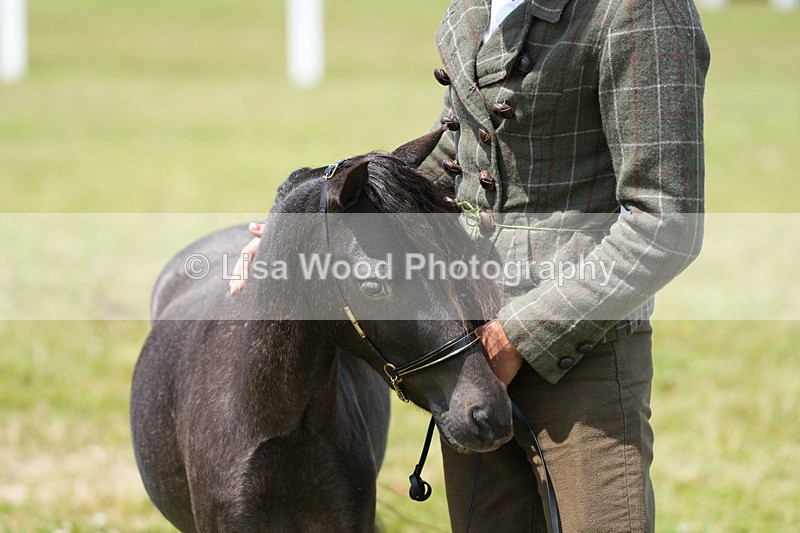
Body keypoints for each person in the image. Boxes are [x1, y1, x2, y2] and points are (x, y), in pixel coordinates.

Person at [233, 0, 709, 530]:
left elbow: (666, 225)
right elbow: (456, 159)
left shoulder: (640, 12)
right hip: (467, 348)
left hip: (584, 355)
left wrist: (517, 336)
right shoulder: (473, 8)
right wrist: (313, 234)